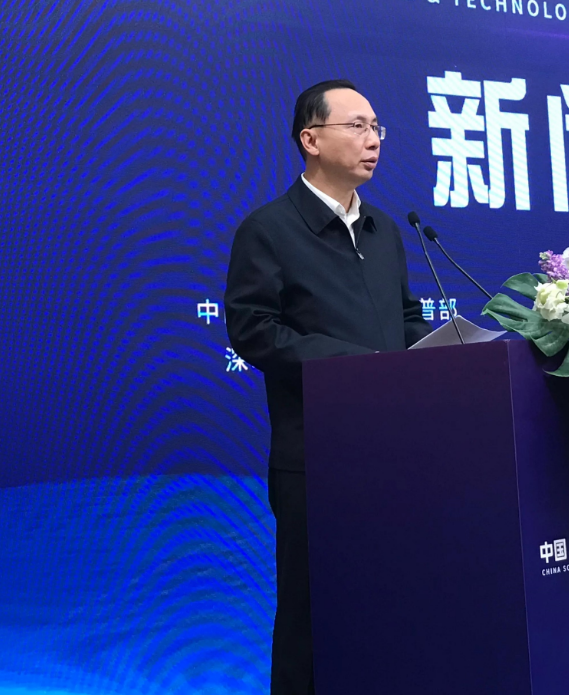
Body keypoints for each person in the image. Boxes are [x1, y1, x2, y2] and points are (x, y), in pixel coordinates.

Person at [224, 79, 432, 695]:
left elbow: (405, 318)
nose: (374, 140)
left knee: (391, 608)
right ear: (310, 140)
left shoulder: (385, 230)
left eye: (377, 128)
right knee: (312, 619)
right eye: (357, 126)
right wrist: (356, 364)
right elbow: (253, 330)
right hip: (316, 458)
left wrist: (445, 350)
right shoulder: (270, 229)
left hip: (395, 453)